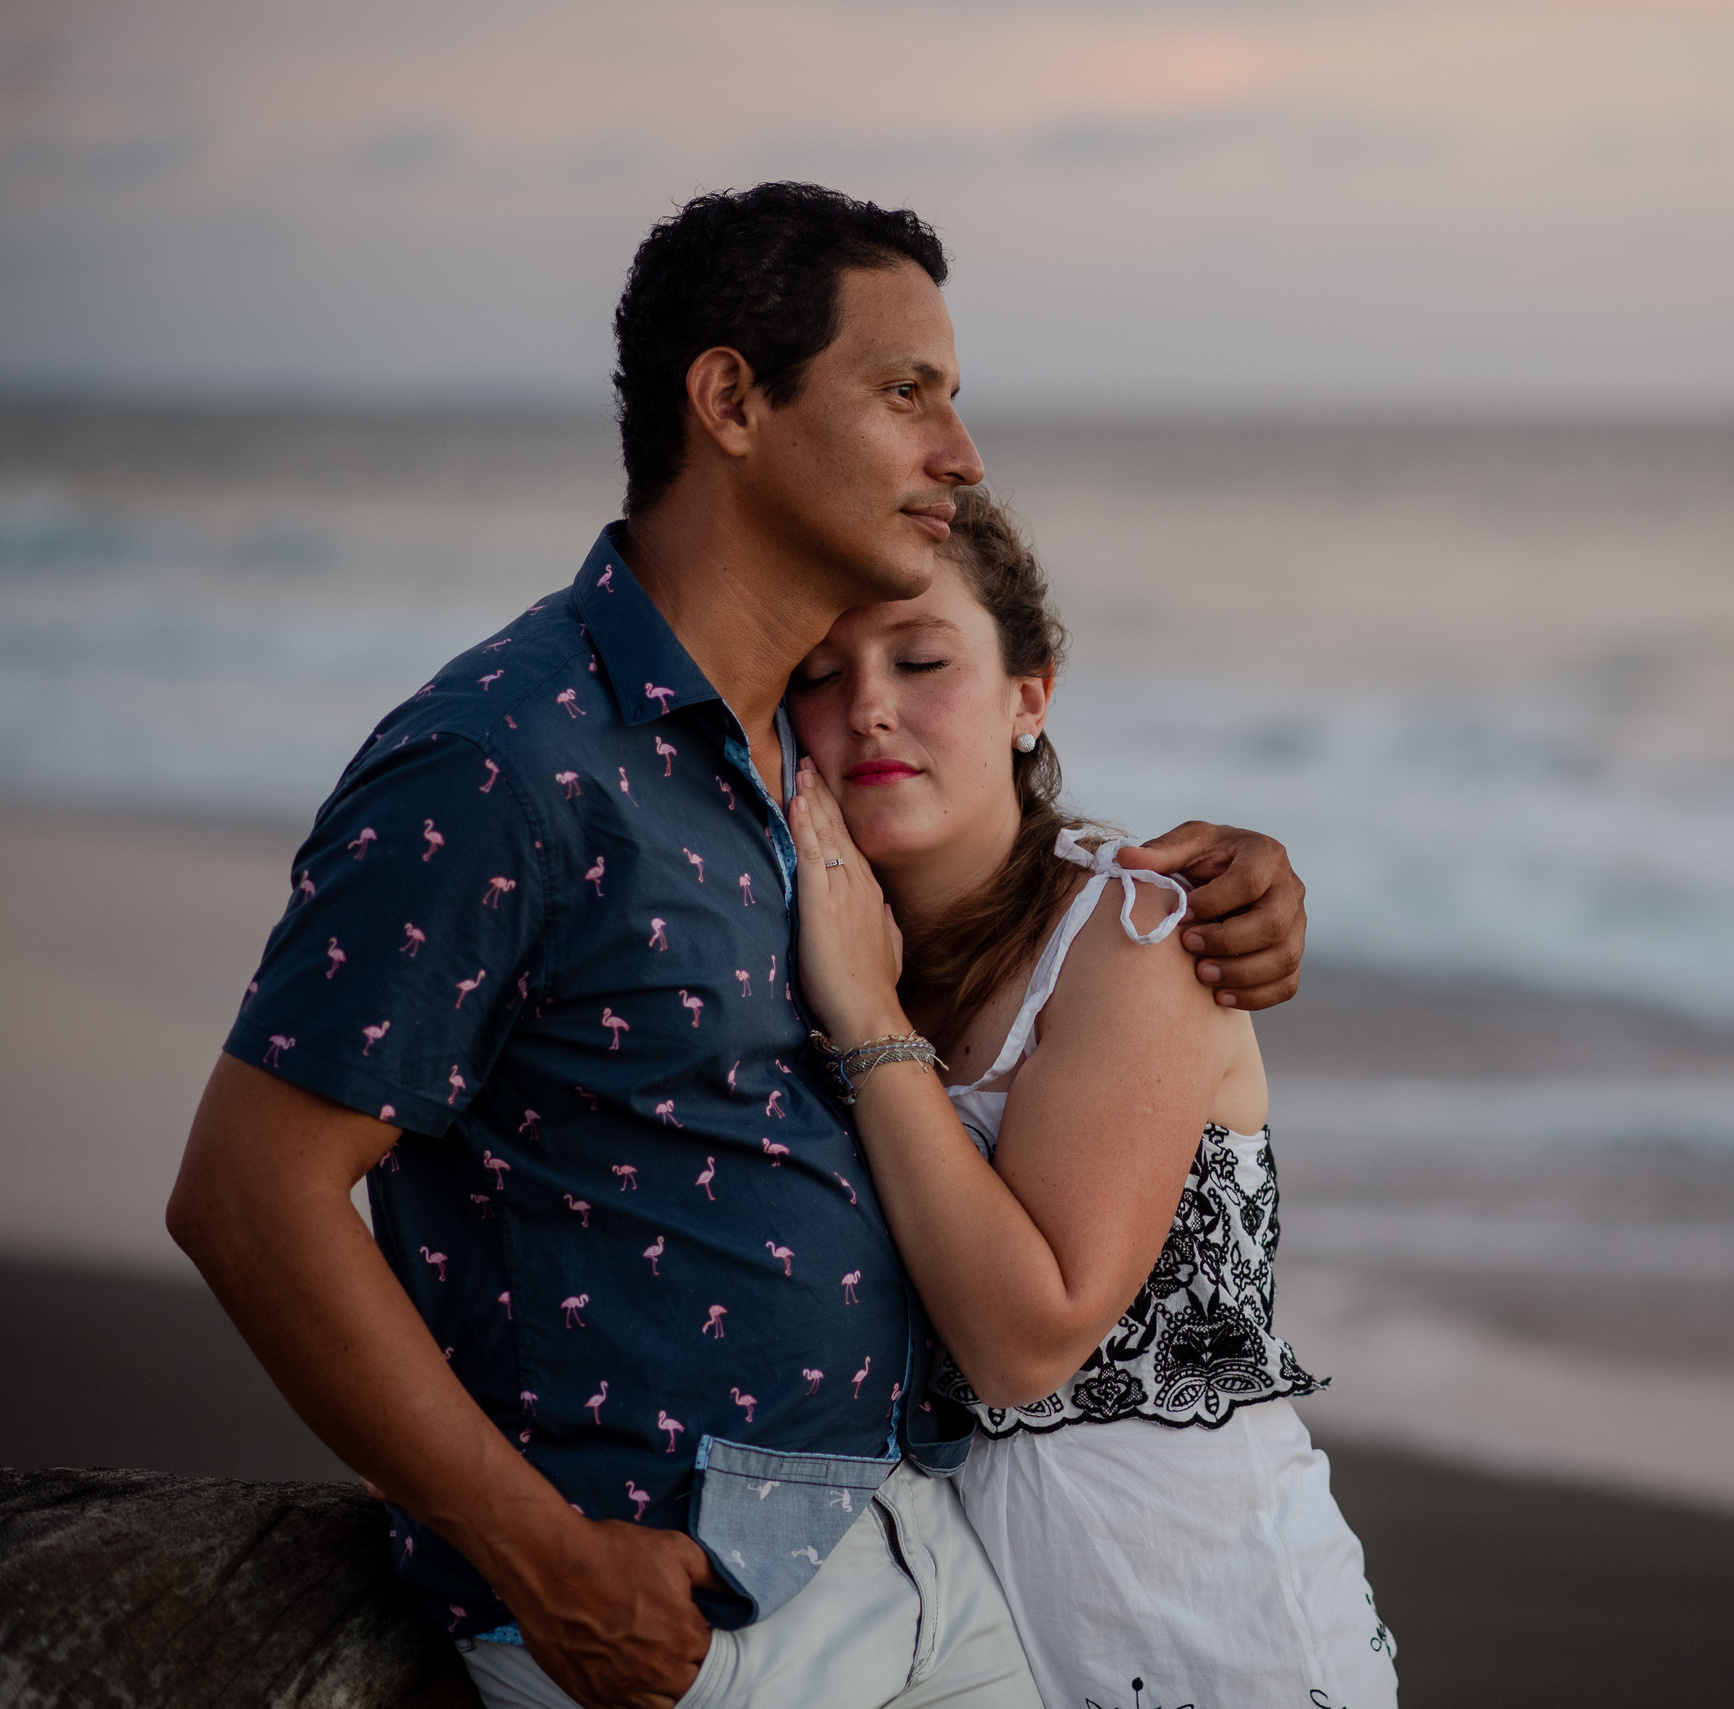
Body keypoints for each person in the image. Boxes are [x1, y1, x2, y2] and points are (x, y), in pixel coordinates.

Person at [164, 183, 1309, 1709]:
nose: (958, 454)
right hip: (689, 1616)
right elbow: (248, 1198)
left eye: (952, 402)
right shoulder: (506, 760)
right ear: (730, 401)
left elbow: (1027, 907)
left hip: (921, 1555)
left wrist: (1237, 879)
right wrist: (543, 1559)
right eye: (906, 393)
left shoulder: (797, 751)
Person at [784, 487, 1397, 1709]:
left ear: (1030, 696)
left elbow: (1025, 1337)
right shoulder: (794, 937)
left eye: (920, 658)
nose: (869, 706)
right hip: (960, 1640)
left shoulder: (1133, 931)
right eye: (816, 670)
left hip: (1218, 1637)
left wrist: (868, 1016)